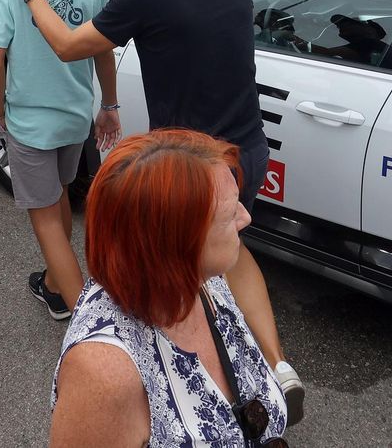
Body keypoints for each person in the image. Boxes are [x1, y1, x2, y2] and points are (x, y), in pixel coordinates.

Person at [1, 0, 305, 423]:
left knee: (186, 274)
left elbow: (69, 45)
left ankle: (211, 393)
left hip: (193, 169)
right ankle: (279, 367)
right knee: (234, 254)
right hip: (248, 150)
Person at [50, 129, 288, 446]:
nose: (245, 217)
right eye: (231, 212)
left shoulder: (203, 280)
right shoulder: (105, 374)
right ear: (177, 244)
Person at [0, 0, 119, 320]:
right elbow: (102, 48)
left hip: (29, 119)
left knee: (43, 220)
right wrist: (109, 105)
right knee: (57, 193)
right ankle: (55, 282)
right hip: (75, 113)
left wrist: (0, 109)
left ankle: (86, 323)